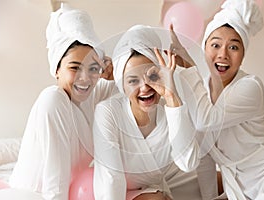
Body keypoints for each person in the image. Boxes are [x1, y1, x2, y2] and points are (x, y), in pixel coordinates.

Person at [170, 0, 264, 199]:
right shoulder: (200, 90)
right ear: (205, 47)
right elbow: (204, 159)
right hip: (238, 186)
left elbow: (207, 120)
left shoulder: (250, 86)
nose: (223, 54)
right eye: (215, 45)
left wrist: (188, 67)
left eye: (233, 47)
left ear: (243, 54)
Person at [0, 5, 115, 200]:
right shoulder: (52, 99)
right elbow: (56, 182)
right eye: (75, 67)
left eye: (93, 68)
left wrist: (115, 71)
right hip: (36, 196)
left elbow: (137, 86)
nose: (85, 78)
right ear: (57, 69)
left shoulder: (93, 95)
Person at [92, 25, 217, 200]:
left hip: (158, 186)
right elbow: (111, 179)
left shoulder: (171, 110)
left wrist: (172, 96)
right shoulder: (108, 112)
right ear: (122, 86)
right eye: (133, 80)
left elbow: (188, 162)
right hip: (118, 193)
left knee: (223, 182)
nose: (145, 87)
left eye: (152, 77)